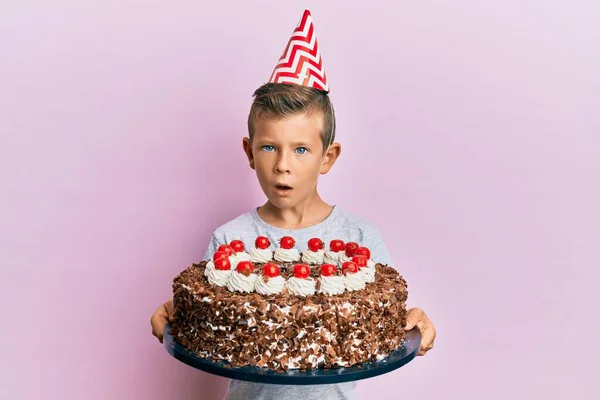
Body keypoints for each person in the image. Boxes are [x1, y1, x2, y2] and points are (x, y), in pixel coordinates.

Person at [151, 9, 436, 400]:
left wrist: (416, 321)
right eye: (269, 147)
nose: (283, 165)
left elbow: (385, 321)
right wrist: (177, 313)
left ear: (327, 157)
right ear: (250, 152)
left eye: (301, 149)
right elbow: (211, 315)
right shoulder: (229, 239)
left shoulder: (359, 238)